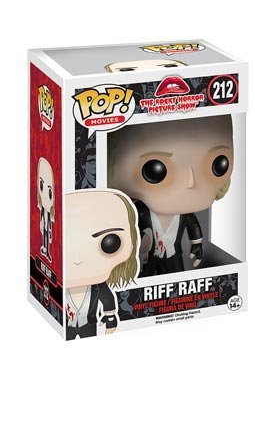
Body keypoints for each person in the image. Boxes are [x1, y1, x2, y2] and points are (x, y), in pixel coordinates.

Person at [108, 115, 233, 276]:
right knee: (145, 277)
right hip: (149, 257)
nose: (191, 182)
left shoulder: (184, 213)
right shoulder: (140, 212)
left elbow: (193, 226)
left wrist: (197, 244)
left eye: (219, 164)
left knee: (176, 275)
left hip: (173, 255)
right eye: (155, 170)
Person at [65, 190, 139, 340]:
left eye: (110, 243)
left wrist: (110, 317)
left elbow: (107, 299)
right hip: (66, 325)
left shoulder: (98, 286)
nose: (78, 260)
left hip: (89, 325)